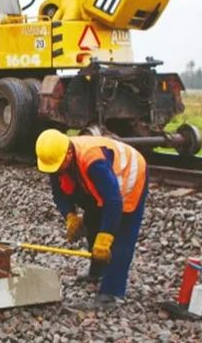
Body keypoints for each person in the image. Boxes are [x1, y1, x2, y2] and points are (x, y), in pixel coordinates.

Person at [35, 128, 149, 310]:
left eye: (58, 167)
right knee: (92, 221)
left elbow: (113, 202)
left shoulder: (94, 162)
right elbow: (59, 193)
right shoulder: (56, 158)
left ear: (69, 154)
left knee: (122, 235)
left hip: (130, 177)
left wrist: (105, 237)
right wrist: (70, 216)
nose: (55, 172)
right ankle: (97, 271)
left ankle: (110, 293)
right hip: (105, 186)